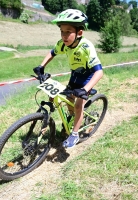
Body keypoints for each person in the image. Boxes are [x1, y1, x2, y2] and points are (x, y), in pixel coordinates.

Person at [33, 9, 103, 148]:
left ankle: (75, 134)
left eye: (68, 31)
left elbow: (99, 72)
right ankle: (74, 119)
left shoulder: (86, 47)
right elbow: (52, 53)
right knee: (68, 100)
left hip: (87, 79)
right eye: (62, 31)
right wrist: (41, 66)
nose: (64, 35)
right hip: (75, 76)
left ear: (79, 33)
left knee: (78, 105)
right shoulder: (63, 44)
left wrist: (85, 89)